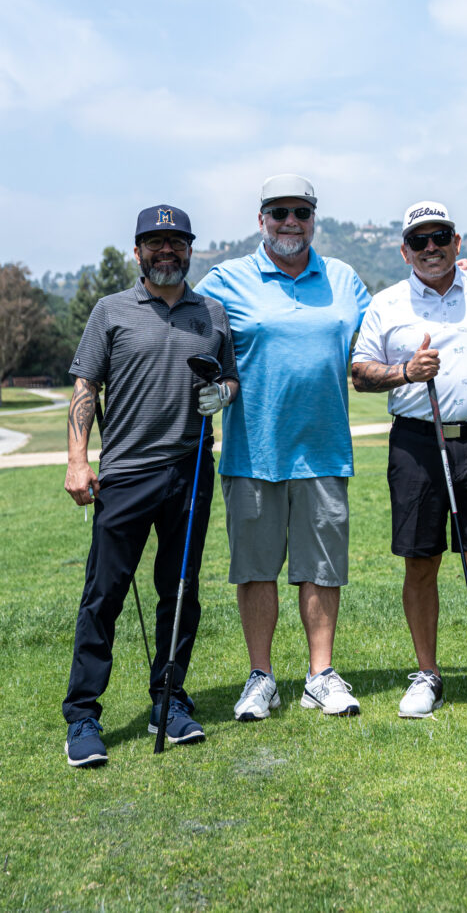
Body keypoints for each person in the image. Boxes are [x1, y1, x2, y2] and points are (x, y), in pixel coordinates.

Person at [350, 201, 467, 728]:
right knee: (421, 561)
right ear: (405, 250)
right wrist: (405, 371)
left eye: (440, 238)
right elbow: (360, 373)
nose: (430, 248)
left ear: (458, 242)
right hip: (415, 444)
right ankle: (427, 674)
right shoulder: (387, 303)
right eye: (420, 241)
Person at [63, 204, 239, 767]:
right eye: (155, 243)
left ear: (190, 249)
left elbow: (230, 378)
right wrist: (76, 460)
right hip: (127, 473)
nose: (167, 251)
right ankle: (84, 715)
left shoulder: (211, 312)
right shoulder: (111, 310)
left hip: (190, 473)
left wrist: (225, 396)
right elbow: (86, 386)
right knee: (103, 597)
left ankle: (170, 700)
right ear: (137, 251)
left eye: (177, 242)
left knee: (180, 593)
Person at [195, 174, 370, 719]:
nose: (290, 222)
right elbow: (185, 325)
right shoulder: (227, 279)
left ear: (314, 218)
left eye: (300, 212)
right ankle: (261, 677)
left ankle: (321, 674)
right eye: (279, 213)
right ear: (261, 219)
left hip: (324, 450)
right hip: (254, 454)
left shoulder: (343, 279)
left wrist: (445, 281)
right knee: (256, 569)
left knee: (321, 568)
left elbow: (387, 332)